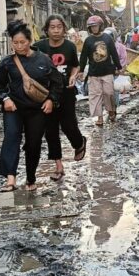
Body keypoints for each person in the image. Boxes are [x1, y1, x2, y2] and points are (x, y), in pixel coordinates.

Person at [0, 20, 63, 192]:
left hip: (37, 110)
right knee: (11, 137)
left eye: (22, 42)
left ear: (30, 42)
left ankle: (31, 177)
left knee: (33, 143)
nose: (19, 46)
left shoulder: (44, 60)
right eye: (15, 43)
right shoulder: (7, 62)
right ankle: (10, 180)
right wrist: (5, 99)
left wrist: (51, 100)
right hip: (14, 109)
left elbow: (57, 83)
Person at [33, 15, 88, 181]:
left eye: (59, 27)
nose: (56, 30)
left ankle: (79, 143)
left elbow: (75, 65)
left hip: (66, 92)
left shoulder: (70, 46)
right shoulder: (39, 47)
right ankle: (58, 166)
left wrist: (73, 76)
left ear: (64, 29)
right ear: (47, 30)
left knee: (69, 126)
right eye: (52, 27)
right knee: (50, 131)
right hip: (46, 94)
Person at [79, 15, 121, 126]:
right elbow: (83, 57)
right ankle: (100, 118)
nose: (94, 28)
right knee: (95, 96)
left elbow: (114, 53)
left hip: (107, 71)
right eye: (91, 27)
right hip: (93, 73)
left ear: (100, 26)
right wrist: (81, 70)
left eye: (95, 26)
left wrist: (119, 67)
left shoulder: (108, 38)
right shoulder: (88, 40)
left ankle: (111, 111)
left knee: (109, 93)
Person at [104, 27, 127, 110]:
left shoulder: (120, 47)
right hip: (105, 71)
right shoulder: (102, 46)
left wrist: (119, 69)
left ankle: (115, 107)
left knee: (115, 90)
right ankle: (108, 108)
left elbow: (123, 59)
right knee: (106, 91)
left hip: (115, 71)